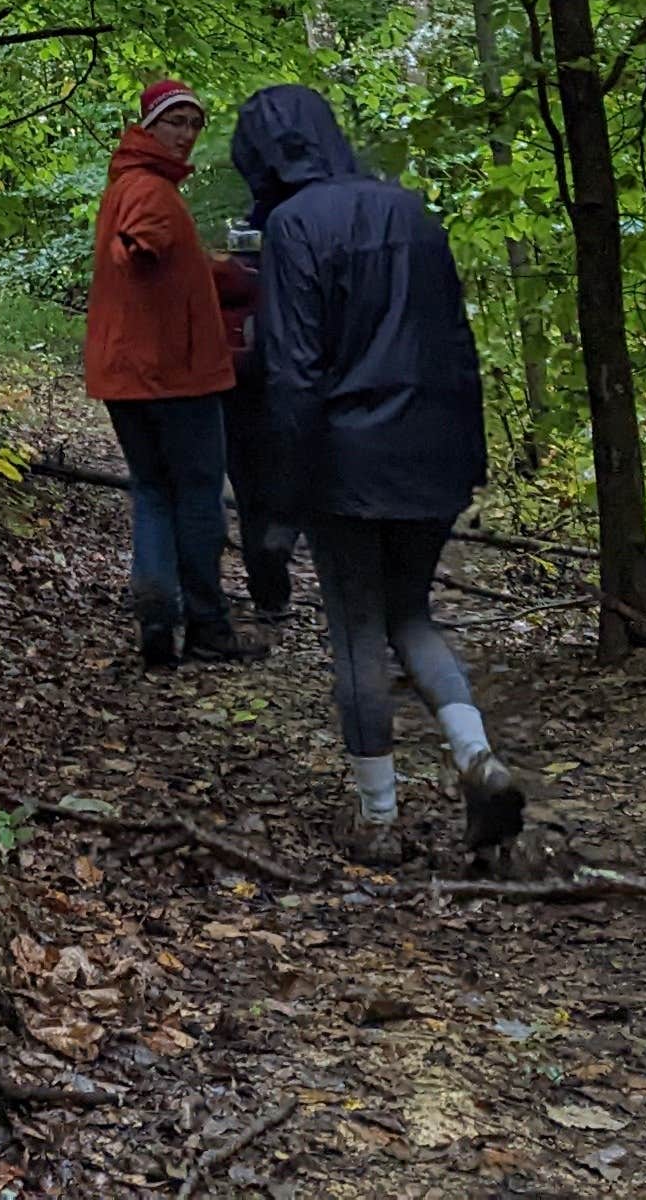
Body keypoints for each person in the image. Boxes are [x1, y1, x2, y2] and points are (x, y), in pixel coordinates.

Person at [233, 81, 526, 860]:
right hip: (432, 451)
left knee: (359, 628)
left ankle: (378, 818)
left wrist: (279, 498)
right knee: (413, 616)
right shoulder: (412, 212)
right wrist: (471, 455)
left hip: (346, 459)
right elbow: (457, 345)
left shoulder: (294, 226)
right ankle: (475, 758)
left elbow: (293, 373)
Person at [82, 78, 256, 667]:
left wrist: (215, 271)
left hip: (128, 375)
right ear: (149, 125)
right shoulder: (149, 190)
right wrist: (144, 249)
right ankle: (207, 624)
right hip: (173, 376)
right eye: (175, 121)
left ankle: (158, 618)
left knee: (154, 492)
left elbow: (160, 267)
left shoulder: (125, 185)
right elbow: (139, 249)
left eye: (192, 124)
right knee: (198, 494)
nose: (184, 134)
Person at [213, 223, 298, 621]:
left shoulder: (216, 290)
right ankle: (276, 572)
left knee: (248, 500)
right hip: (274, 400)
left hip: (228, 401)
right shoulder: (279, 289)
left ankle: (265, 594)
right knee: (283, 487)